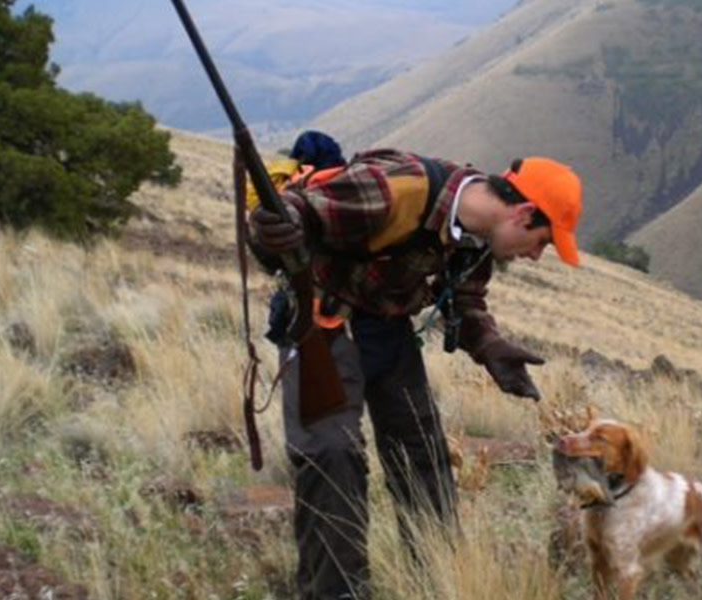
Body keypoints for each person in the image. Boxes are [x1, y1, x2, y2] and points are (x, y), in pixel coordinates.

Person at [249, 134, 583, 600]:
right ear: (523, 214)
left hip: (387, 329)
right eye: (541, 241)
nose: (534, 255)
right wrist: (271, 227)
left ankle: (435, 579)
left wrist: (489, 346)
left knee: (422, 456)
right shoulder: (392, 189)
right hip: (321, 324)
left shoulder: (478, 238)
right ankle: (336, 593)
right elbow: (293, 215)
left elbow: (464, 297)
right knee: (331, 459)